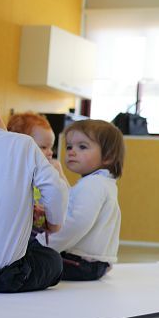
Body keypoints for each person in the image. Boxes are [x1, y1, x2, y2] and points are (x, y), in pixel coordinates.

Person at [0, 85, 68, 292]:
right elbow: (56, 189)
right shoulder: (22, 144)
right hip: (4, 275)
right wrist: (54, 224)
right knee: (53, 260)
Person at [37, 120, 124, 281]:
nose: (71, 152)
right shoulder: (101, 183)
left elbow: (76, 223)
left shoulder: (93, 185)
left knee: (30, 262)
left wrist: (42, 245)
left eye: (82, 147)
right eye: (69, 146)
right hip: (93, 263)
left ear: (108, 156)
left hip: (82, 262)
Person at [7, 112, 67, 182]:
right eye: (43, 147)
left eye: (51, 147)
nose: (51, 153)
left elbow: (67, 193)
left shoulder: (45, 171)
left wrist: (60, 175)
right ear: (21, 147)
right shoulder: (13, 173)